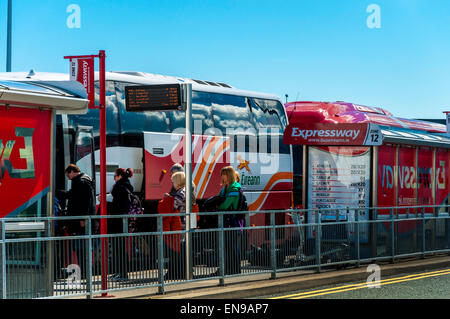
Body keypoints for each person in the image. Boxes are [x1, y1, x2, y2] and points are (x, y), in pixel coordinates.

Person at [58, 164, 96, 279]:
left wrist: (83, 218)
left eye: (68, 174)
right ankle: (84, 273)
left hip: (81, 222)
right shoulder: (82, 181)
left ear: (72, 171)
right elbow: (73, 195)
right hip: (80, 221)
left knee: (81, 249)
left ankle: (84, 273)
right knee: (81, 248)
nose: (68, 177)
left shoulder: (81, 182)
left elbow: (85, 202)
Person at [109, 168, 134, 281]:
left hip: (117, 221)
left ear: (119, 176)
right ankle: (120, 272)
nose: (114, 179)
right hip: (122, 221)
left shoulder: (120, 188)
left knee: (117, 248)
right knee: (120, 247)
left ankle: (121, 273)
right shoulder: (126, 187)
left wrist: (107, 201)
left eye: (114, 176)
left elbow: (117, 206)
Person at [217, 166, 242, 275]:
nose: (222, 176)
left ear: (229, 175)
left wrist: (217, 206)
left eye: (224, 174)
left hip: (233, 221)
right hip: (227, 221)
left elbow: (225, 205)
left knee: (232, 247)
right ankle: (227, 269)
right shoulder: (225, 188)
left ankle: (235, 270)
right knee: (226, 246)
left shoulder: (234, 188)